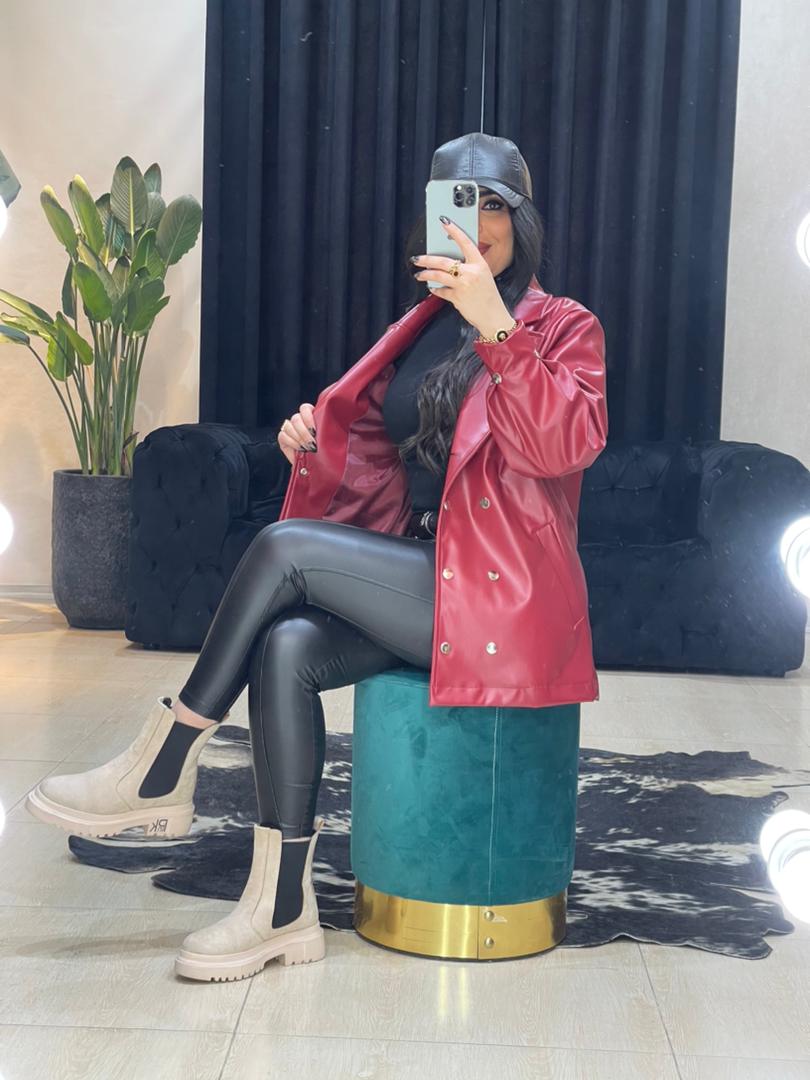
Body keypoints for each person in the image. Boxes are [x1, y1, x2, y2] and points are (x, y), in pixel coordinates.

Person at [25, 132, 608, 983]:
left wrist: (498, 325)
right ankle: (281, 909)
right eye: (458, 202)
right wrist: (310, 437)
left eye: (495, 205)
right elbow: (392, 460)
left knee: (285, 546)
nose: (477, 224)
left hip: (502, 596)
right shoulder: (422, 326)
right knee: (287, 646)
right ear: (431, 215)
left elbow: (563, 444)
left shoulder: (562, 327)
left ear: (522, 221)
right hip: (422, 574)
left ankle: (164, 762)